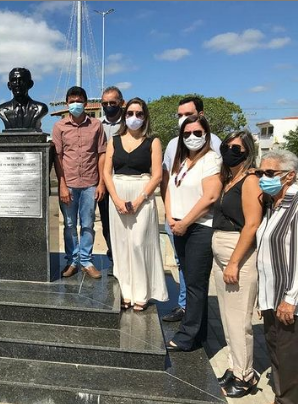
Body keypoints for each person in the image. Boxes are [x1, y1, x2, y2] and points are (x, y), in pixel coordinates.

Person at [161, 96, 222, 323]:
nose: (190, 136)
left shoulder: (213, 147)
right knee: (182, 266)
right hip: (175, 220)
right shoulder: (175, 147)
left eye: (188, 114)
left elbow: (212, 193)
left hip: (198, 223)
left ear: (201, 115)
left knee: (196, 277)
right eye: (180, 116)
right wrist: (169, 216)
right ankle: (185, 308)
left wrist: (186, 221)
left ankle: (190, 317)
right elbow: (168, 181)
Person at [103, 97, 168, 311]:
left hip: (142, 194)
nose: (134, 117)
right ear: (124, 116)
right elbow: (106, 172)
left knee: (140, 244)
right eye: (130, 113)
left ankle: (142, 292)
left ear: (145, 116)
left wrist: (139, 200)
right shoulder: (114, 140)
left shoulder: (153, 141)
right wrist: (116, 199)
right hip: (118, 194)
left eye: (139, 114)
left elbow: (157, 175)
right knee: (122, 245)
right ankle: (126, 291)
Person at [211, 131, 262, 398]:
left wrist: (234, 263)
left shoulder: (250, 180)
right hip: (222, 252)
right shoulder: (229, 179)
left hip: (237, 254)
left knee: (240, 319)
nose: (230, 151)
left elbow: (251, 224)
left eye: (236, 148)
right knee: (227, 317)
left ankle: (245, 376)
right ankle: (234, 367)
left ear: (247, 152)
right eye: (226, 146)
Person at [256, 149, 298, 404]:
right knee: (277, 353)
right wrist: (262, 298)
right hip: (271, 296)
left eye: (270, 173)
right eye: (260, 172)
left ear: (289, 175)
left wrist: (291, 298)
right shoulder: (275, 204)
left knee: (289, 358)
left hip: (288, 298)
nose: (263, 178)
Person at [53, 86, 106, 279]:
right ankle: (72, 261)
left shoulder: (96, 125)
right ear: (67, 103)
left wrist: (101, 183)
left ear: (86, 103)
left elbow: (101, 154)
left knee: (88, 224)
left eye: (79, 101)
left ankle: (86, 261)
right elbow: (58, 157)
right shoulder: (59, 127)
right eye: (72, 101)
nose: (75, 104)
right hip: (68, 183)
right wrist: (62, 185)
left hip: (90, 183)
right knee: (69, 225)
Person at [99, 86, 124, 263]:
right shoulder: (97, 125)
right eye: (105, 103)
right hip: (103, 183)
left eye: (112, 103)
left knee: (125, 223)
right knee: (106, 222)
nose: (108, 106)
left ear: (121, 103)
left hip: (124, 181)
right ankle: (113, 257)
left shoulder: (129, 123)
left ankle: (125, 258)